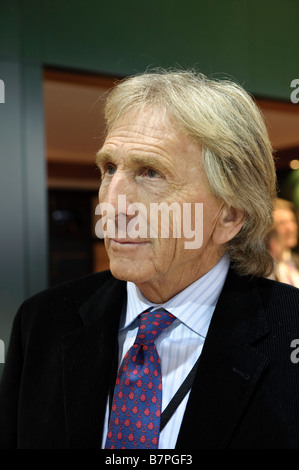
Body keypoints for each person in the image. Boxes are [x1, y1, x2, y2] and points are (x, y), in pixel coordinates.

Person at [1, 69, 299, 450]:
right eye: (109, 169)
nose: (111, 204)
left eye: (150, 173)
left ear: (229, 215)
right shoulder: (42, 322)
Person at [271, 198, 299, 287]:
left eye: (292, 221)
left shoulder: (296, 261)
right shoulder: (263, 267)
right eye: (282, 223)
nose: (290, 228)